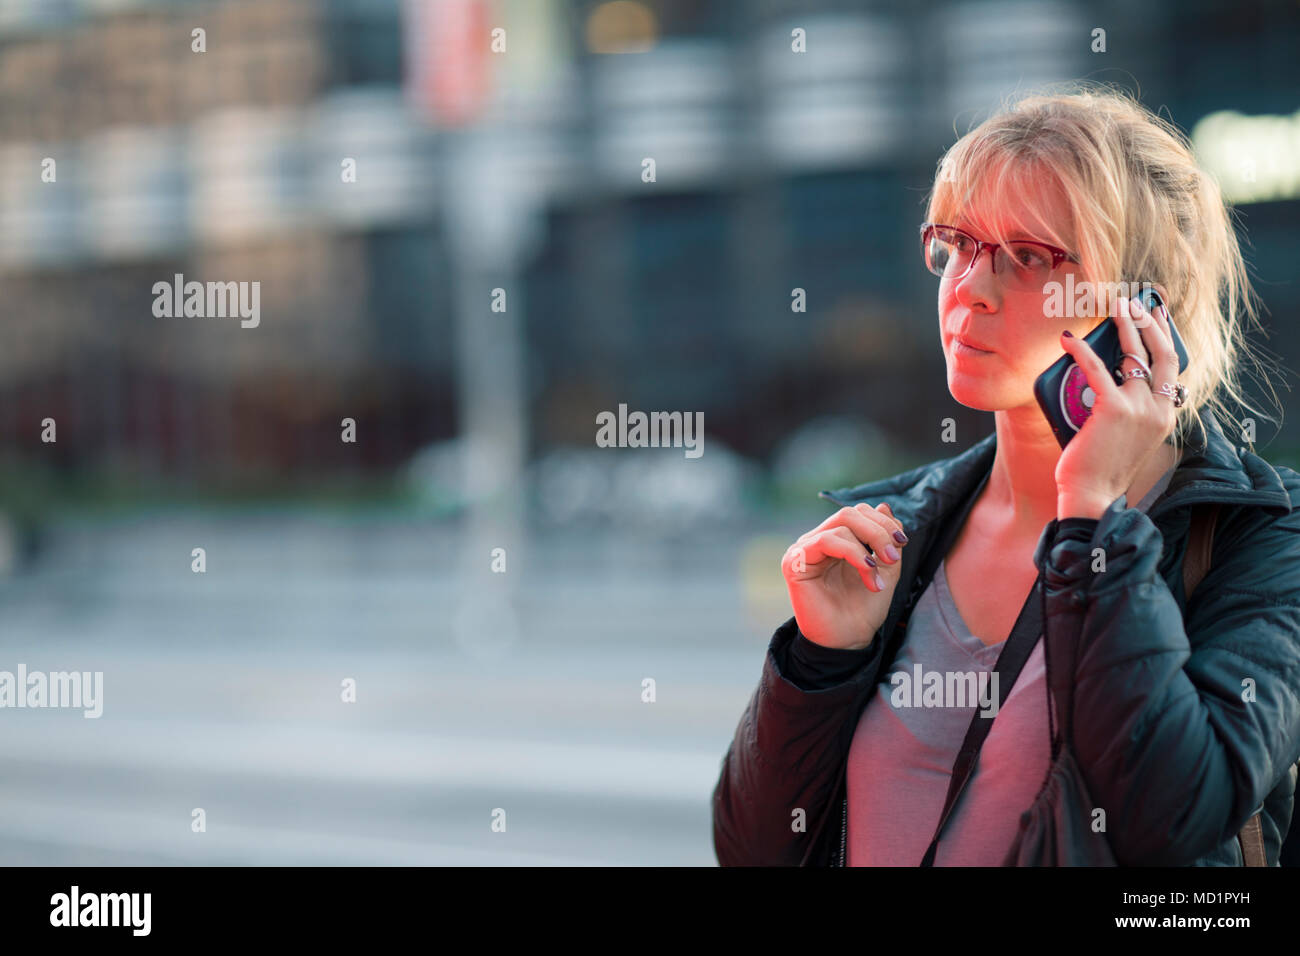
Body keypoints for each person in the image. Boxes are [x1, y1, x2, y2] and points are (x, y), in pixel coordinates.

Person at [712, 84, 1300, 866]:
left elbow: (1169, 814)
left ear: (1142, 310)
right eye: (955, 244)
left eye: (1029, 259)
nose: (968, 290)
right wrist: (822, 662)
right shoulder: (901, 529)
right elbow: (754, 851)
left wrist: (1091, 518)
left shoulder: (1260, 542)